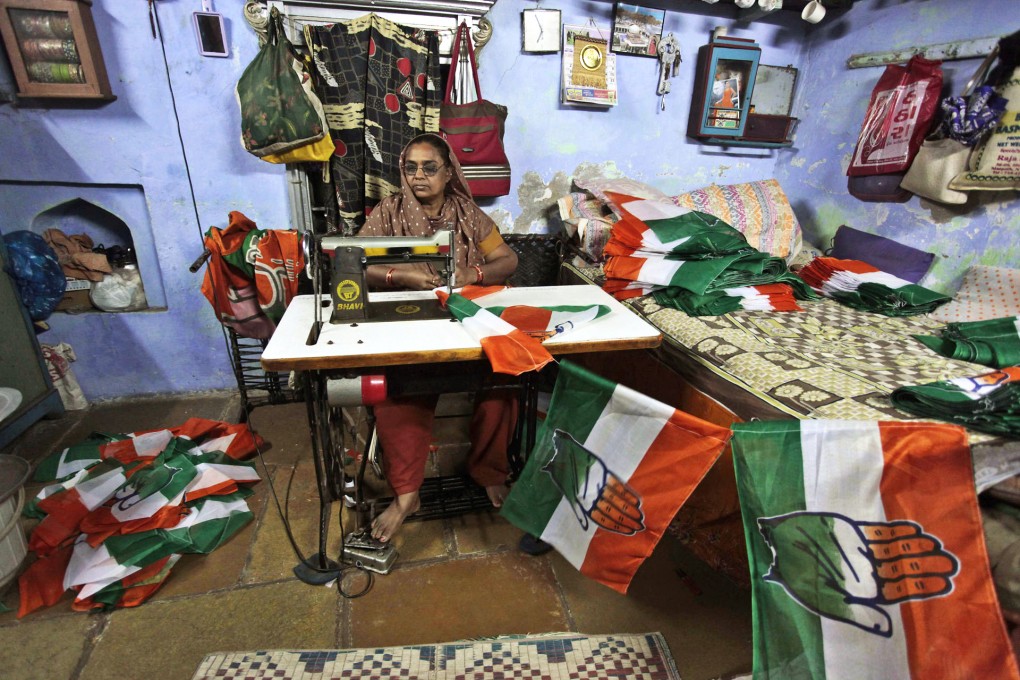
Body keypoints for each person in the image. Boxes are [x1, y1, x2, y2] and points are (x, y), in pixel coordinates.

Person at [359, 133, 519, 543]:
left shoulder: (468, 214)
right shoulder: (388, 212)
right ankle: (407, 494)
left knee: (504, 383)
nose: (418, 176)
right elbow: (357, 260)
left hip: (464, 321)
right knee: (398, 393)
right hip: (410, 320)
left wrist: (473, 274)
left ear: (449, 173)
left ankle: (489, 471)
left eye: (429, 168)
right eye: (410, 168)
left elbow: (507, 259)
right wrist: (401, 275)